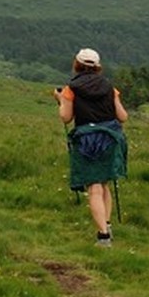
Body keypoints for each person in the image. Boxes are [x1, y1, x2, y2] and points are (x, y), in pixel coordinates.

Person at [57, 48, 129, 246]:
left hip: (87, 140)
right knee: (105, 184)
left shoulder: (71, 89)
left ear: (77, 64)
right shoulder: (109, 87)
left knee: (94, 188)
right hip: (110, 137)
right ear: (97, 66)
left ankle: (103, 236)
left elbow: (66, 117)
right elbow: (122, 116)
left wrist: (61, 100)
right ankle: (106, 225)